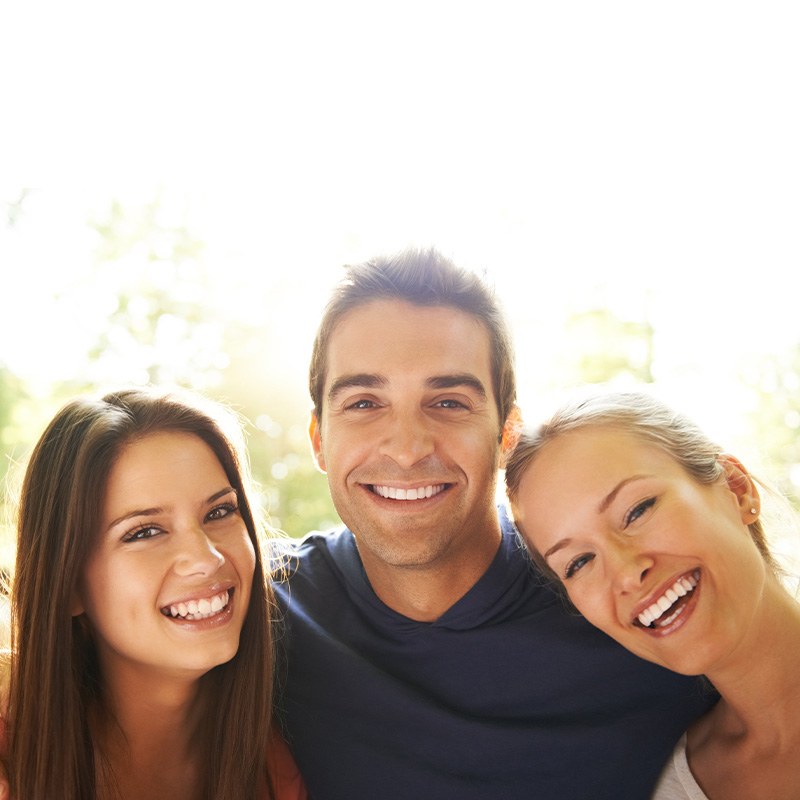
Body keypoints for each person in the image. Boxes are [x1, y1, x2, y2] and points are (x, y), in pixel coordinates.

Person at [272, 248, 715, 800]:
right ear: (319, 439)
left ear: (507, 432)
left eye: (450, 402)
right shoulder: (259, 614)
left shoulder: (630, 605)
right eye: (364, 403)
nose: (408, 449)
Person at [1, 387, 305, 799]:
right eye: (144, 532)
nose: (204, 558)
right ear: (68, 583)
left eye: (219, 512)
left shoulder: (272, 771)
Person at [505, 388, 800, 799]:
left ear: (736, 489)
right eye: (578, 562)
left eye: (637, 510)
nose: (626, 573)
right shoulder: (671, 788)